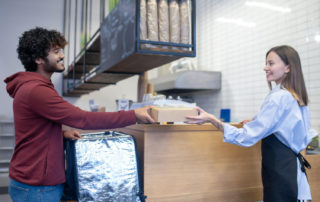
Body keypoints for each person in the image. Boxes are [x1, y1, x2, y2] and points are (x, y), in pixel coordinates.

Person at [4, 27, 154, 202]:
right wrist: (133, 115)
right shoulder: (37, 91)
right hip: (37, 187)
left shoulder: (34, 87)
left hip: (34, 183)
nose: (62, 55)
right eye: (56, 51)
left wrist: (62, 134)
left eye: (61, 50)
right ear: (38, 59)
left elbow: (35, 130)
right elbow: (83, 119)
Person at [185, 45, 315, 202]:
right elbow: (284, 126)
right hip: (291, 171)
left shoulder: (279, 98)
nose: (265, 68)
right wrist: (256, 120)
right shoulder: (295, 96)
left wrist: (213, 120)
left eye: (271, 63)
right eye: (266, 63)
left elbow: (246, 137)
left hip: (281, 173)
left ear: (287, 67)